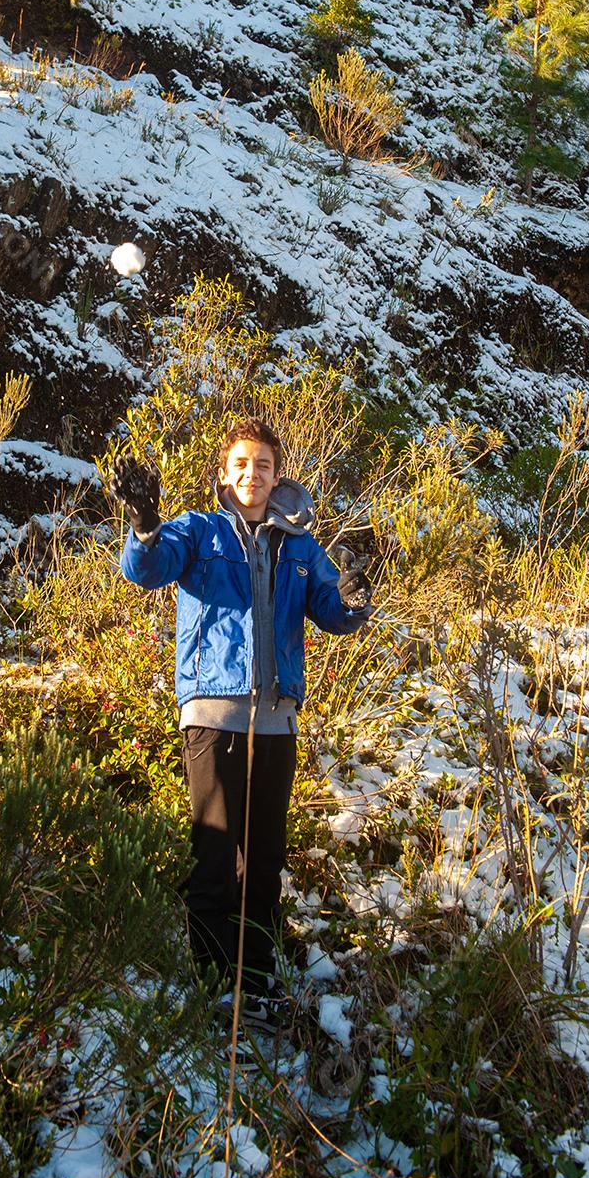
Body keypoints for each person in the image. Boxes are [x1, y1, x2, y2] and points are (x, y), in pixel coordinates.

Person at [108, 417, 373, 1024]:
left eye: (263, 465)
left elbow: (334, 613)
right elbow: (147, 569)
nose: (252, 473)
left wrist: (355, 596)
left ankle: (255, 982)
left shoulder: (302, 548)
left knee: (263, 860)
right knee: (214, 854)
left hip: (277, 722)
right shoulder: (198, 530)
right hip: (214, 713)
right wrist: (145, 526)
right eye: (242, 464)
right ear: (225, 475)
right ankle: (211, 985)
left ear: (278, 476)